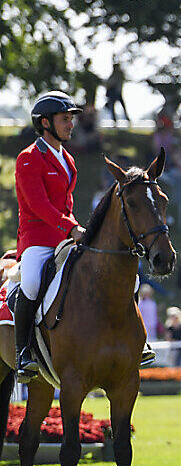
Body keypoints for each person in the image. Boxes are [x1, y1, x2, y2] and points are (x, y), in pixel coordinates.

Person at [13, 91, 85, 381]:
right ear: (45, 122)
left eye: (71, 119)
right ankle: (22, 354)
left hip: (66, 237)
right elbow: (38, 205)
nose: (71, 124)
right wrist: (72, 228)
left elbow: (65, 204)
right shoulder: (29, 158)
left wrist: (77, 230)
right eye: (65, 119)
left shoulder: (67, 158)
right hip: (37, 239)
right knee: (30, 282)